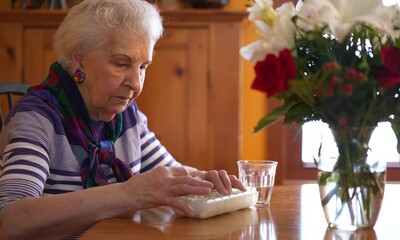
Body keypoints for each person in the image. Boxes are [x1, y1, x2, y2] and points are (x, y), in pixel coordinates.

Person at [0, 0, 245, 239]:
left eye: (143, 67)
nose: (136, 84)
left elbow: (168, 175)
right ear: (79, 59)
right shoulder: (38, 119)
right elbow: (10, 221)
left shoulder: (124, 115)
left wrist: (203, 180)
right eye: (121, 63)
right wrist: (128, 193)